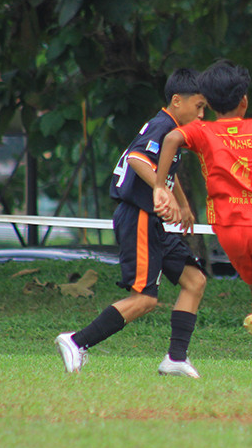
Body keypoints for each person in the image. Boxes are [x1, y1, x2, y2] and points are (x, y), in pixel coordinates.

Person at [152, 60, 252, 381]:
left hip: (228, 231)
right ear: (244, 101)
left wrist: (159, 186)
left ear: (207, 103)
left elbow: (169, 140)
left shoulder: (201, 130)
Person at [55, 68, 209, 378]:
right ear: (177, 101)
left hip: (152, 220)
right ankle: (76, 341)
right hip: (137, 216)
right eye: (200, 106)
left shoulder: (174, 131)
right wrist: (160, 190)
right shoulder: (162, 126)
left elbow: (167, 168)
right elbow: (138, 159)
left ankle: (176, 358)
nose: (203, 115)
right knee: (145, 299)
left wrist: (181, 201)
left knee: (194, 281)